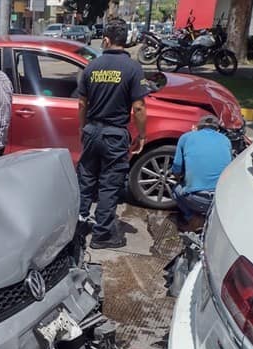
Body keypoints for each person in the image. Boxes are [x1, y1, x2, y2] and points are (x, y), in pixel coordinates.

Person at [77, 18, 148, 249]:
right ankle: (102, 235)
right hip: (115, 135)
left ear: (105, 40)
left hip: (91, 131)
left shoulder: (91, 67)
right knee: (109, 184)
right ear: (125, 40)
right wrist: (142, 135)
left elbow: (81, 103)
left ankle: (77, 226)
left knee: (86, 179)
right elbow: (138, 107)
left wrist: (83, 129)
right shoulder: (133, 68)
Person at [171, 114, 232, 231]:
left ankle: (193, 218)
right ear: (217, 129)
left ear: (197, 127)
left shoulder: (186, 137)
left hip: (196, 198)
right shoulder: (225, 140)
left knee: (176, 191)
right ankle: (207, 218)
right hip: (219, 199)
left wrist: (180, 178)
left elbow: (177, 167)